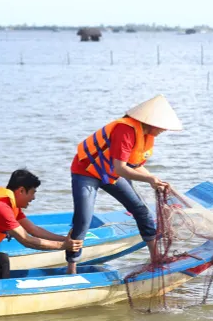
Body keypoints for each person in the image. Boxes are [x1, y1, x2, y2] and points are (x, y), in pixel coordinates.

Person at [66, 94, 183, 274]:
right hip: (86, 172)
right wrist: (149, 180)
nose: (164, 130)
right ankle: (71, 267)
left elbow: (135, 166)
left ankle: (155, 257)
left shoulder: (145, 135)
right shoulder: (125, 130)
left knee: (140, 210)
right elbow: (121, 169)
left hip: (110, 174)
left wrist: (154, 178)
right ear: (151, 122)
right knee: (83, 220)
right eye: (162, 126)